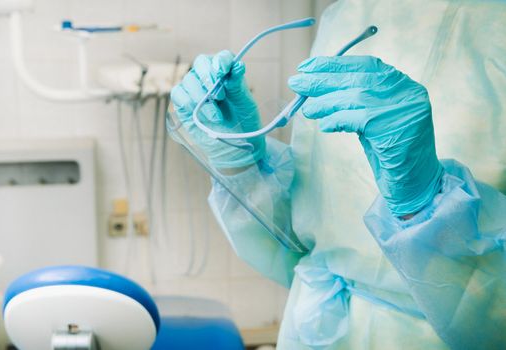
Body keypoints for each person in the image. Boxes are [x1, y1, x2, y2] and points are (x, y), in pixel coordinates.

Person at [170, 0, 506, 348]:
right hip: (319, 330)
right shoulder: (346, 15)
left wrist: (427, 206)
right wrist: (243, 165)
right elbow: (299, 245)